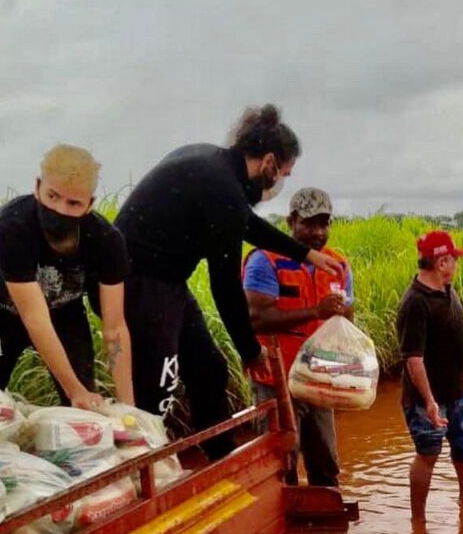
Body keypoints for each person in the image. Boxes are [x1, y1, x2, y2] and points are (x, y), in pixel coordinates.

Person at [114, 105, 342, 457]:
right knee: (157, 387)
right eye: (283, 173)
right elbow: (225, 284)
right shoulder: (221, 187)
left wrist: (305, 254)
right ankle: (139, 472)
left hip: (168, 283)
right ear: (268, 162)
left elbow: (246, 223)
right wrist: (249, 350)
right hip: (138, 284)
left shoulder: (215, 167)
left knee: (209, 369)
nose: (278, 183)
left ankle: (220, 458)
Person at [0, 145, 133, 409]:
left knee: (85, 405)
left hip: (63, 314)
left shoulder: (106, 240)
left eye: (73, 203)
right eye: (52, 196)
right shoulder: (11, 226)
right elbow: (35, 318)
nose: (60, 209)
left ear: (89, 204)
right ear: (38, 187)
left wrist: (128, 405)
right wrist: (74, 391)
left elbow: (115, 329)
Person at [243, 187, 353, 486]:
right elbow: (255, 319)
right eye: (310, 223)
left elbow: (348, 318)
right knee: (280, 467)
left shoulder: (337, 264)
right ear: (291, 221)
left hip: (319, 377)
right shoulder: (266, 260)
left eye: (324, 223)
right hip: (276, 381)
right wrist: (315, 311)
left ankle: (329, 527)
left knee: (326, 463)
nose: (319, 232)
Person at [396, 231, 463, 522]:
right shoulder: (415, 303)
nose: (457, 264)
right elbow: (413, 358)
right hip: (427, 400)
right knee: (428, 453)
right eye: (453, 259)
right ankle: (418, 521)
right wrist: (430, 401)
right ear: (441, 261)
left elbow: (457, 330)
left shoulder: (447, 290)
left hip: (459, 392)